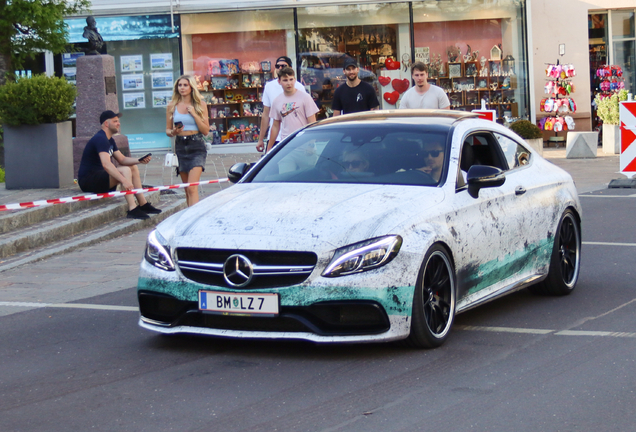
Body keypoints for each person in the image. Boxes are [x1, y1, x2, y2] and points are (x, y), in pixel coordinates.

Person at [78, 111, 161, 220]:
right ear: (106, 124)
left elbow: (122, 159)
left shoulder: (109, 139)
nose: (119, 123)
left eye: (118, 121)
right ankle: (132, 209)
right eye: (115, 121)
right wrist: (124, 180)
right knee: (125, 170)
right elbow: (106, 164)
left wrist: (139, 160)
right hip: (88, 180)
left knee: (133, 167)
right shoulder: (100, 139)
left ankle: (143, 203)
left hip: (100, 176)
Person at [166, 75, 210, 207]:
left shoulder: (200, 104)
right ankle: (189, 215)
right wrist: (174, 132)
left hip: (196, 145)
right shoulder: (172, 105)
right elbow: (167, 130)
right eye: (180, 85)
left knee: (192, 187)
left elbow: (205, 130)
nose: (182, 88)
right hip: (180, 145)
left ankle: (194, 217)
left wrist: (195, 115)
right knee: (187, 189)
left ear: (191, 87)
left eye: (185, 85)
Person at [256, 56, 307, 153]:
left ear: (290, 68)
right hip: (276, 137)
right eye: (277, 66)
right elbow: (266, 114)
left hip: (296, 136)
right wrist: (261, 139)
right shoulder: (269, 87)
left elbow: (307, 116)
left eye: (283, 66)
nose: (280, 68)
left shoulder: (299, 88)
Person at [267, 67, 319, 152]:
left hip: (304, 143)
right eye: (285, 80)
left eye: (291, 79)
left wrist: (312, 143)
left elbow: (312, 122)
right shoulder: (277, 101)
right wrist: (269, 149)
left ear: (295, 80)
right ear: (279, 82)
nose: (289, 83)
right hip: (287, 144)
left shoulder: (305, 97)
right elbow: (275, 126)